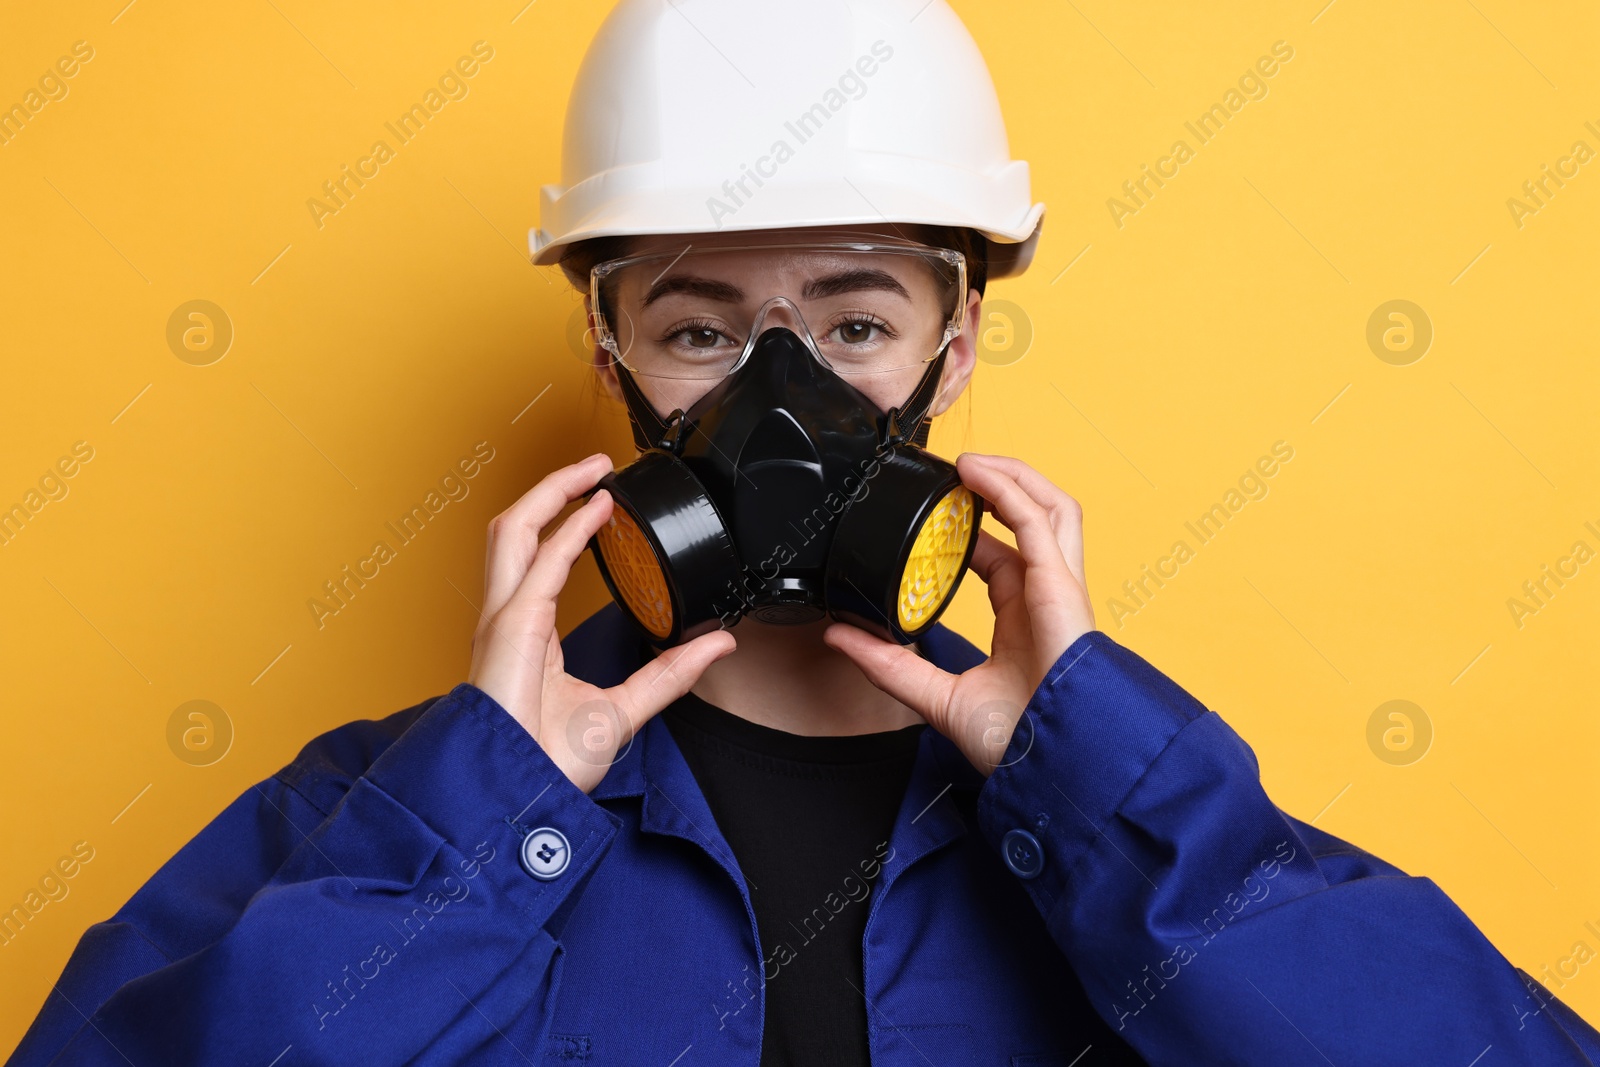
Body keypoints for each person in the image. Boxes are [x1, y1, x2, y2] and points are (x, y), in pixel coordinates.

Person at [10, 2, 1600, 1065]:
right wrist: (473, 821)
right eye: (700, 332)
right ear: (608, 350)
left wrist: (1108, 790)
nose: (783, 399)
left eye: (855, 322)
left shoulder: (1131, 821)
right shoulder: (379, 819)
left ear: (956, 348)